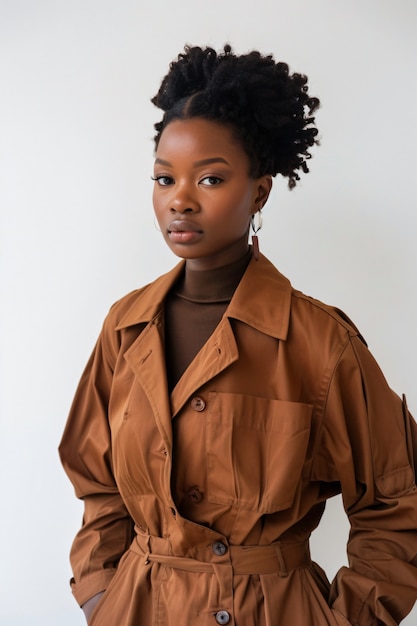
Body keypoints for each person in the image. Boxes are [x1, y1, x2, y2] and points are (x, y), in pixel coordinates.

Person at [59, 44, 417, 626]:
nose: (180, 198)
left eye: (210, 178)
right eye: (164, 177)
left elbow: (398, 502)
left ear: (260, 191)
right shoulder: (125, 328)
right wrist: (103, 593)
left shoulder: (320, 343)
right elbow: (96, 481)